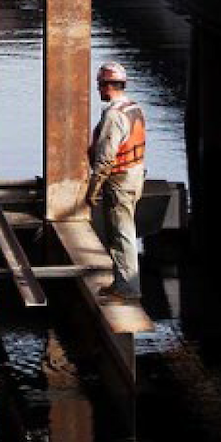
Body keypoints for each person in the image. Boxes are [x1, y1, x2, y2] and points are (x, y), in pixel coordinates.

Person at [87, 61, 146, 303]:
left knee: (121, 234)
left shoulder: (113, 115)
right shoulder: (133, 108)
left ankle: (128, 289)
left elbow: (106, 157)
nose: (99, 89)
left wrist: (94, 188)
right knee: (124, 231)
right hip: (135, 175)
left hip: (120, 180)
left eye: (100, 84)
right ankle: (122, 283)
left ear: (108, 85)